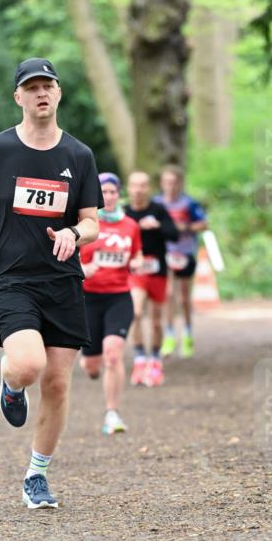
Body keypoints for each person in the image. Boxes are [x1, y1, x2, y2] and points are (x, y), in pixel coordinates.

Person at [0, 58, 102, 510]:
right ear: (19, 97)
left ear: (58, 93)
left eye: (47, 86)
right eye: (31, 87)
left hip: (63, 282)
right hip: (14, 280)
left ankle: (37, 475)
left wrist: (74, 234)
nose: (41, 93)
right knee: (29, 365)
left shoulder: (79, 155)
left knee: (57, 383)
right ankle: (11, 381)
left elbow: (92, 222)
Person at [79, 173, 143, 435]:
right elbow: (66, 256)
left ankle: (112, 413)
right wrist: (82, 268)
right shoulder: (85, 225)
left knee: (113, 353)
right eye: (103, 192)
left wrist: (137, 263)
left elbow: (137, 254)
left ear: (119, 194)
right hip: (89, 299)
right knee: (91, 365)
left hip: (119, 297)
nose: (108, 196)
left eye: (112, 191)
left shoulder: (130, 226)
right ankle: (92, 367)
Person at [124, 171, 179, 387]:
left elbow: (174, 234)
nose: (138, 190)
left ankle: (155, 360)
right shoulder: (124, 212)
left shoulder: (158, 210)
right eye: (134, 185)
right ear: (129, 188)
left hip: (157, 271)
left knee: (156, 321)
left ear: (148, 188)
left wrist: (158, 226)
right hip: (135, 272)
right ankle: (139, 359)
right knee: (136, 312)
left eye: (143, 185)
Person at [154, 164, 208, 359]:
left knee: (184, 298)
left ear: (180, 184)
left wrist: (185, 227)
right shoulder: (156, 203)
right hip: (165, 253)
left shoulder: (189, 203)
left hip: (184, 253)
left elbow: (203, 224)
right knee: (168, 295)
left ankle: (187, 333)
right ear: (162, 183)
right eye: (167, 182)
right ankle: (169, 336)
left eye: (174, 182)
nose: (170, 186)